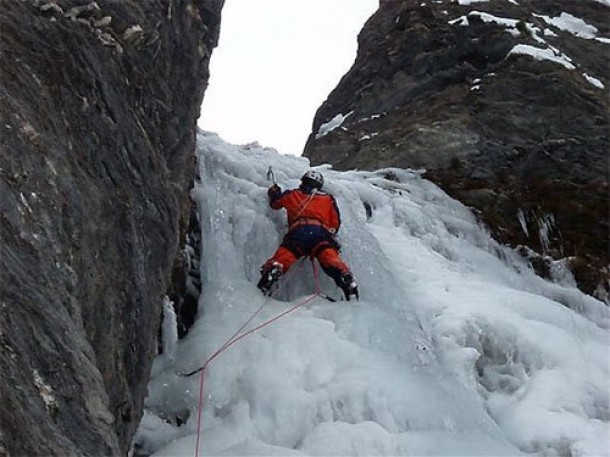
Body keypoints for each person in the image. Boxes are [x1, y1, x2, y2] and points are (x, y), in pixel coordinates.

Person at [257, 170, 359, 300]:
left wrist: (274, 192)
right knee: (328, 256)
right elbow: (335, 223)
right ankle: (343, 274)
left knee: (286, 253)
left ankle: (275, 268)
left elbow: (275, 203)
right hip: (320, 233)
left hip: (298, 231)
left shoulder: (293, 194)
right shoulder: (328, 199)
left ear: (303, 181)